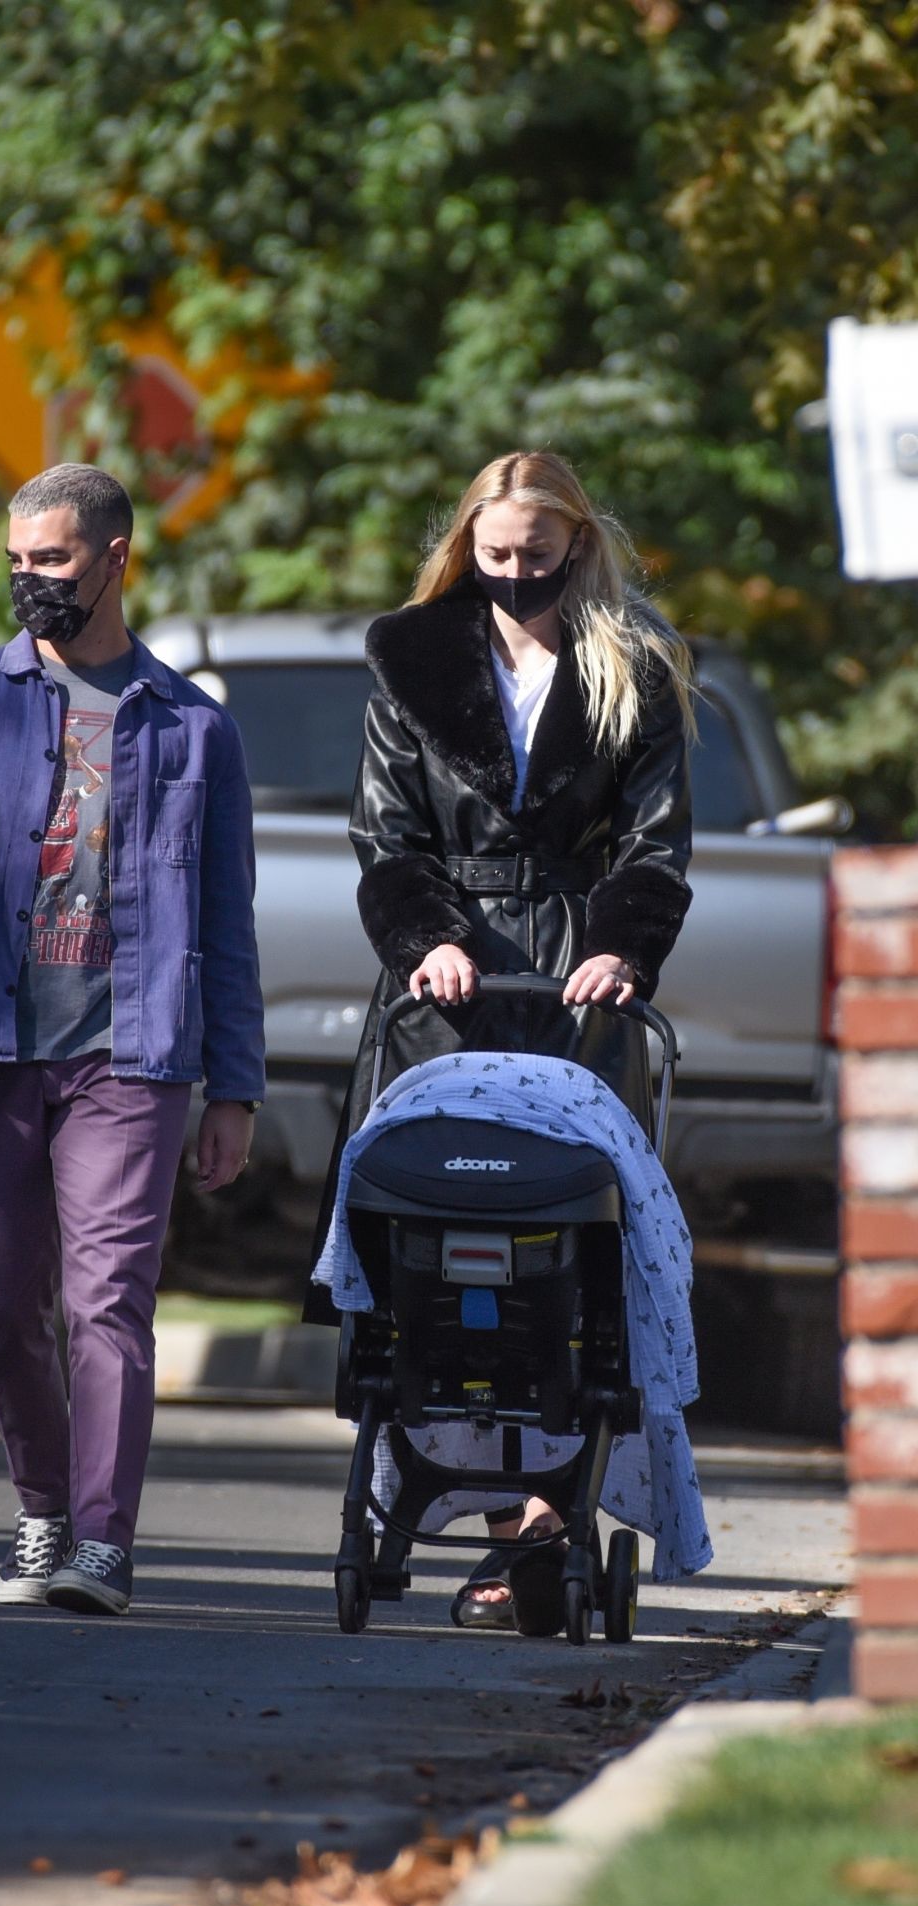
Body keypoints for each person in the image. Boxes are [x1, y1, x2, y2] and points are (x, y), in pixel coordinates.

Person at [0, 462, 265, 1617]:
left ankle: (101, 1543)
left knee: (107, 1296)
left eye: (54, 561)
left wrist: (235, 1083)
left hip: (132, 1050)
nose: (31, 582)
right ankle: (41, 1504)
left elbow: (226, 917)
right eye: (17, 563)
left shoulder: (191, 730)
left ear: (116, 557)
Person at [314, 447, 694, 1631]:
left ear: (575, 546)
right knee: (443, 1243)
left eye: (536, 557)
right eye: (494, 558)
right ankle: (500, 1529)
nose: (514, 576)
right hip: (446, 985)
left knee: (565, 1252)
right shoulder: (414, 661)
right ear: (464, 549)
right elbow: (385, 841)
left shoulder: (630, 663)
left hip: (581, 985)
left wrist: (622, 949)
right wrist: (424, 936)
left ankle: (545, 1523)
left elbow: (655, 843)